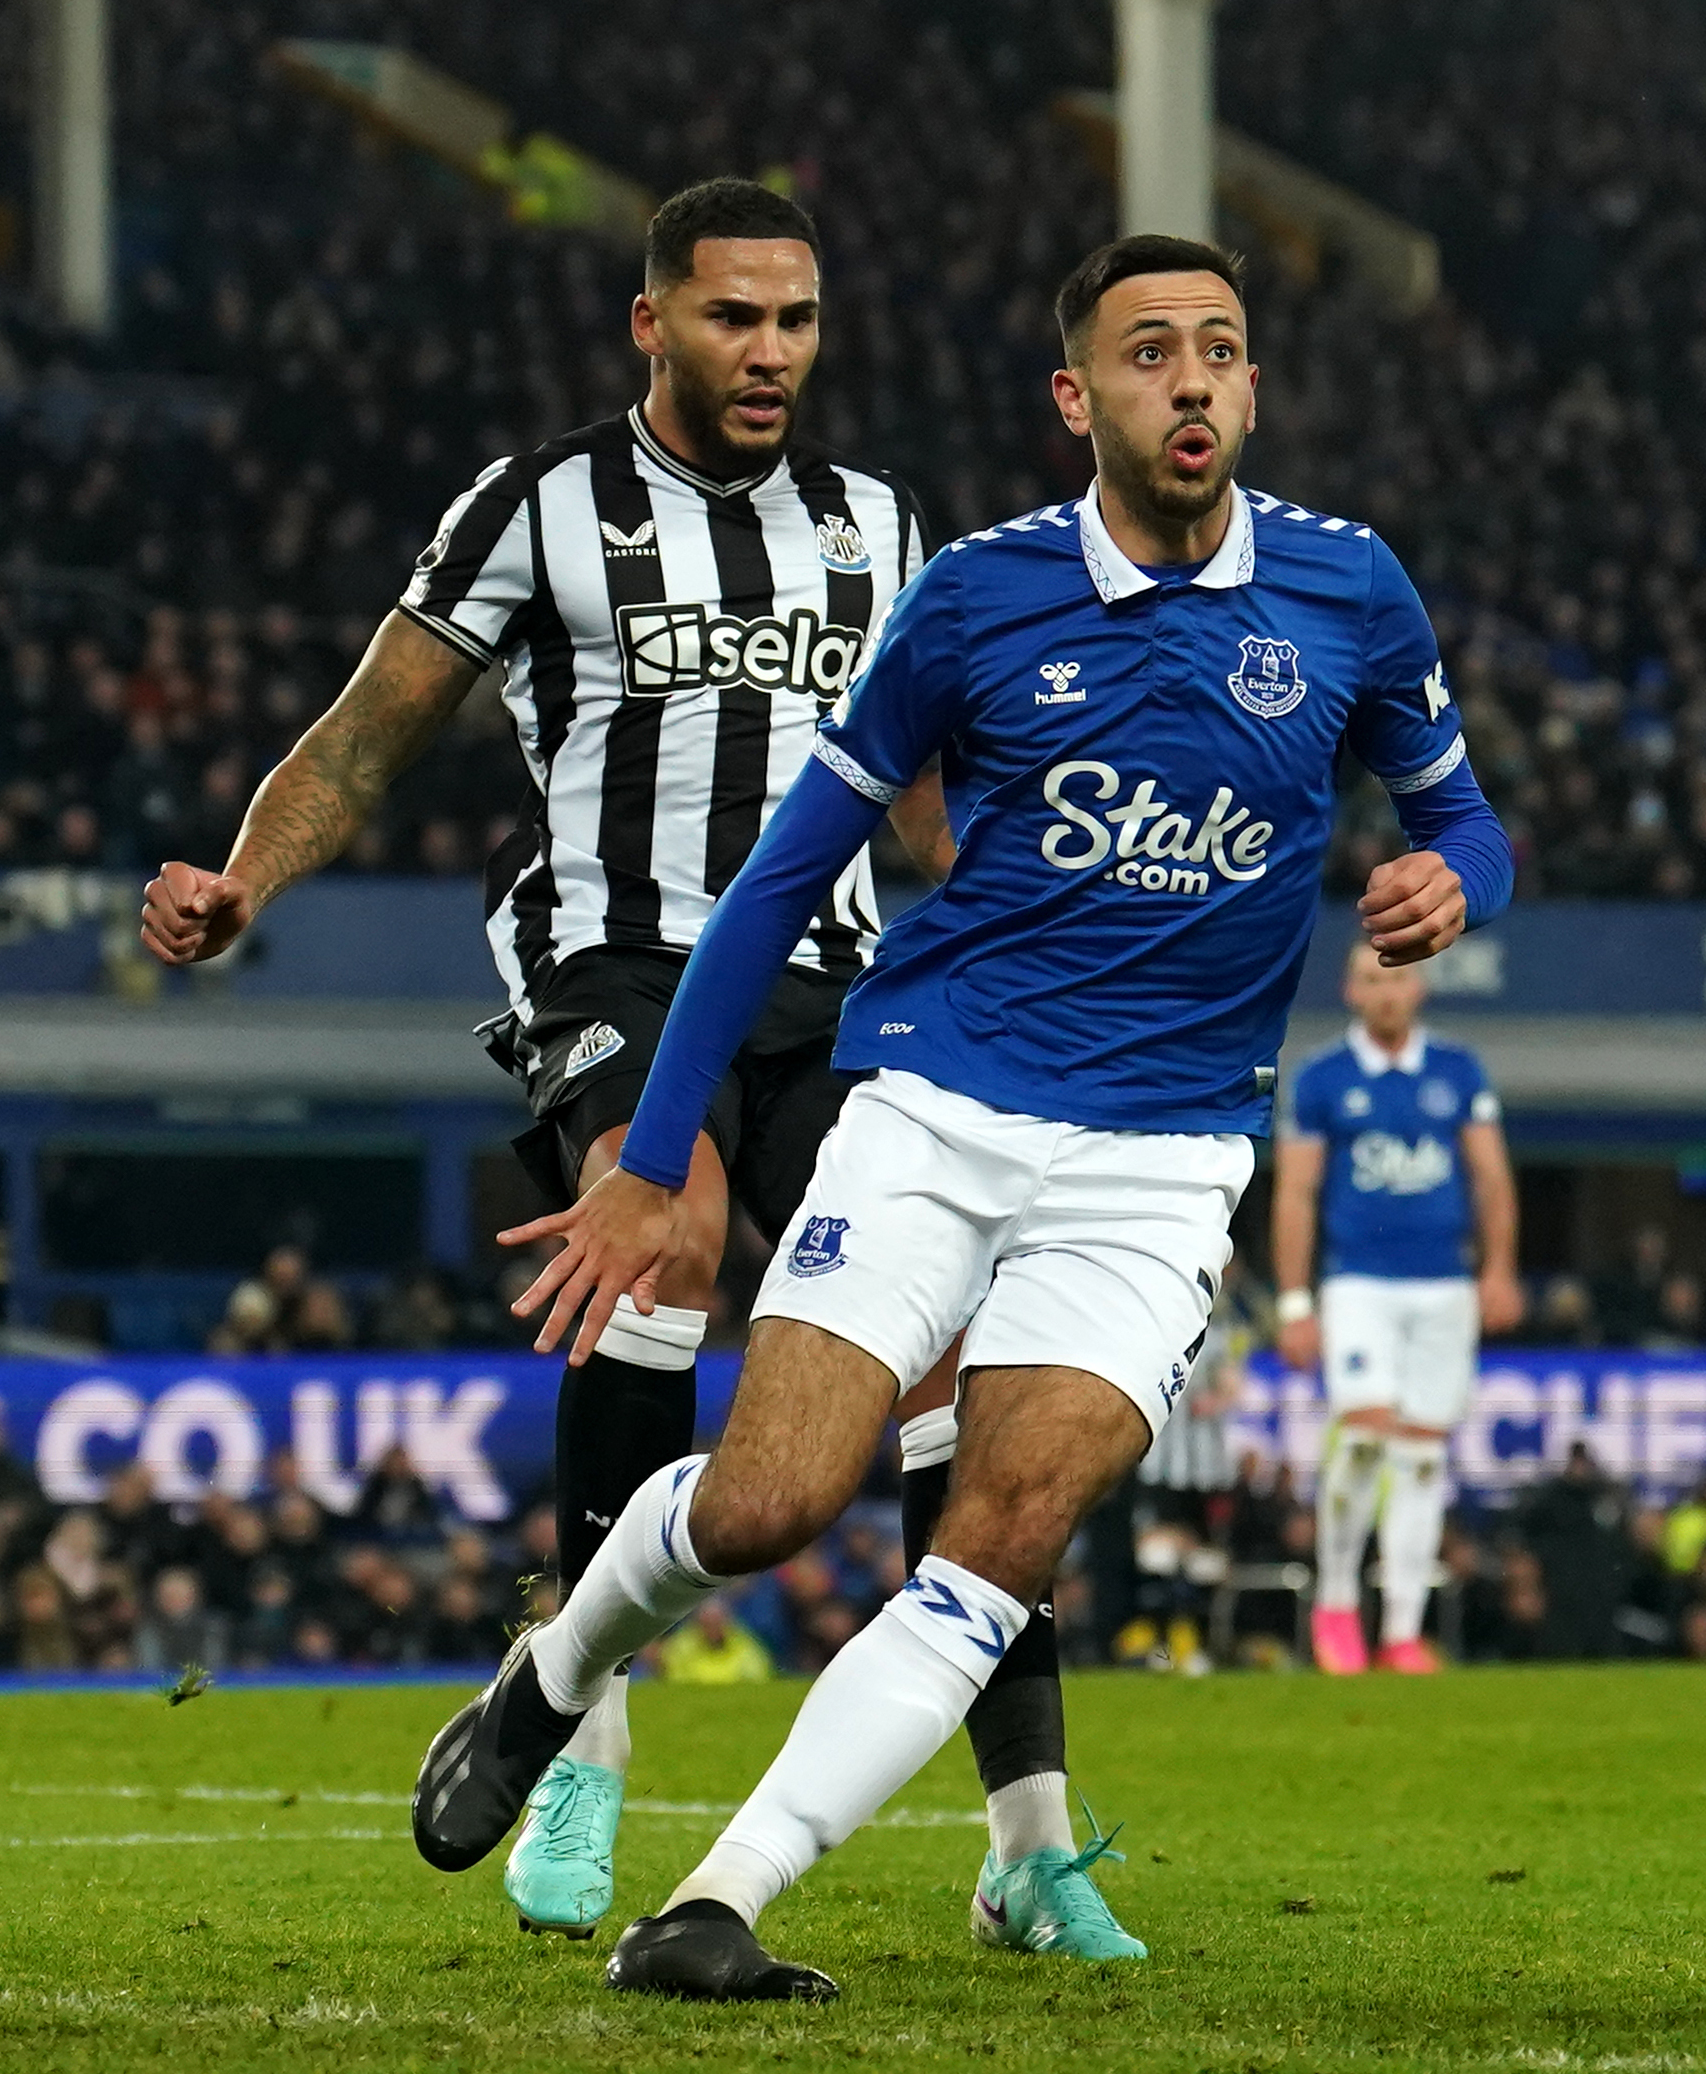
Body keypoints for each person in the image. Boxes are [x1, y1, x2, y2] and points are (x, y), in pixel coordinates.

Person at [415, 232, 1512, 2002]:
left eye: (1219, 348)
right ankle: (548, 1681)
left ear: (1250, 386)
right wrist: (642, 1156)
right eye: (1149, 351)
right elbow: (777, 887)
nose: (1191, 379)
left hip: (1164, 1159)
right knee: (771, 1499)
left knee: (997, 1530)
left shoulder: (1348, 589)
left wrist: (1449, 883)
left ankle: (716, 1897)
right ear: (1078, 397)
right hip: (935, 1104)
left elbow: (1467, 817)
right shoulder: (976, 597)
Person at [138, 178, 1086, 1951]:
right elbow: (366, 735)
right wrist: (240, 875)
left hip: (832, 981)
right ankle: (582, 1728)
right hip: (612, 950)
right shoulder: (539, 502)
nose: (769, 352)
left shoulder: (876, 524)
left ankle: (1025, 1834)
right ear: (651, 321)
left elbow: (940, 808)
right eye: (732, 316)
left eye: (796, 319)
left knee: (963, 1359)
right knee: (658, 1236)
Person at [1271, 943, 1522, 1676]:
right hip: (1359, 1283)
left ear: (1420, 988)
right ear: (1352, 990)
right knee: (1363, 1435)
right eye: (1374, 980)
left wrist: (1500, 1269)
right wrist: (1295, 1302)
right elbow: (1295, 1193)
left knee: (1419, 1457)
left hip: (1445, 1285)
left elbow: (1492, 1178)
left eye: (1400, 978)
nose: (1388, 993)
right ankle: (1339, 1602)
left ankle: (1405, 1631)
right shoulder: (1322, 1079)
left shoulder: (1457, 1071)